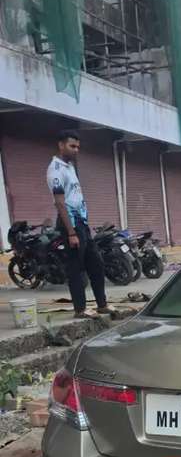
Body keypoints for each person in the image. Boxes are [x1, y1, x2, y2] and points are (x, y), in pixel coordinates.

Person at [47, 129, 109, 318]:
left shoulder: (70, 167)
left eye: (78, 147)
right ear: (61, 145)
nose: (76, 150)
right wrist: (71, 232)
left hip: (82, 224)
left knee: (96, 264)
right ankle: (80, 310)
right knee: (75, 268)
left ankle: (102, 305)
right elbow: (59, 202)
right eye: (72, 146)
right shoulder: (55, 170)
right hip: (70, 227)